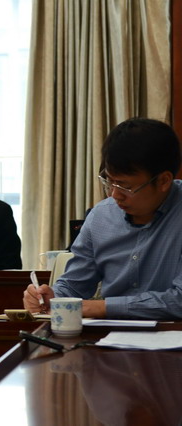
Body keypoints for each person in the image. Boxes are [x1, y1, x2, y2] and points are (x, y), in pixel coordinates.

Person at [24, 117, 182, 320]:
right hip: (107, 334)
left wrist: (101, 308)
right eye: (109, 182)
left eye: (125, 186)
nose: (114, 195)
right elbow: (74, 284)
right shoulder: (101, 216)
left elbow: (178, 301)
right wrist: (53, 298)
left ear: (163, 181)